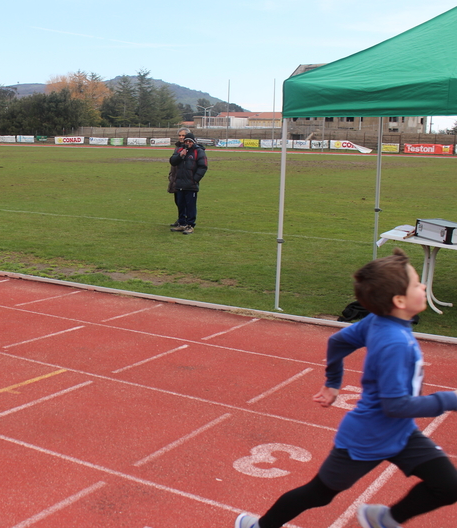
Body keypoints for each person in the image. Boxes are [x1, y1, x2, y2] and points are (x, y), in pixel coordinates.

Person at [235, 248, 457, 528]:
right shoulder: (394, 342)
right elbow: (395, 405)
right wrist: (451, 400)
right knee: (318, 494)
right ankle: (259, 526)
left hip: (400, 434)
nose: (423, 286)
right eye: (416, 283)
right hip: (365, 438)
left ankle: (385, 519)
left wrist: (333, 382)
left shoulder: (379, 321)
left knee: (448, 486)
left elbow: (338, 342)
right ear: (399, 300)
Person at [168, 131, 207, 235]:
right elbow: (172, 161)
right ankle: (181, 223)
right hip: (180, 183)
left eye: (190, 141)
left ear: (194, 142)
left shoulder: (198, 151)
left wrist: (195, 179)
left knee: (190, 206)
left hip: (191, 184)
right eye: (186, 141)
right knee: (181, 204)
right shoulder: (181, 150)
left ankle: (190, 225)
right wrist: (180, 156)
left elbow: (203, 166)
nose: (188, 143)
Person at [167, 128, 188, 228]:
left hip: (184, 178)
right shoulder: (177, 147)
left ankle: (185, 220)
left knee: (183, 201)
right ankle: (181, 219)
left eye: (183, 135)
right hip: (175, 177)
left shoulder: (189, 147)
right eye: (180, 135)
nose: (181, 137)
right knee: (177, 200)